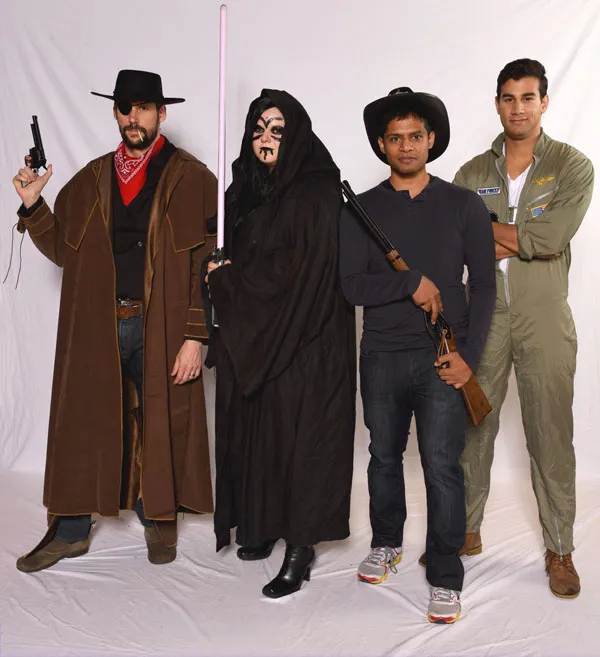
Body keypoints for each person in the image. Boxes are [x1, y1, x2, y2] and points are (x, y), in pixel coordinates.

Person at [13, 69, 217, 572]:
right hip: (100, 326)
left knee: (160, 420)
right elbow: (65, 251)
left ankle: (157, 516)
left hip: (162, 326)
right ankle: (71, 529)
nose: (133, 117)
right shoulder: (92, 178)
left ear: (161, 113)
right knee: (86, 420)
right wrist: (33, 205)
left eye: (143, 108)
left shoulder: (195, 179)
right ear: (115, 113)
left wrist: (195, 336)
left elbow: (207, 266)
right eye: (125, 108)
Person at [339, 87, 496, 623]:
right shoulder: (359, 208)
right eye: (395, 138)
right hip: (381, 356)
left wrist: (468, 356)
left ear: (431, 140)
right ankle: (386, 543)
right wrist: (410, 283)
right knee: (383, 457)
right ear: (382, 145)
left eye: (415, 136)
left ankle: (446, 573)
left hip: (442, 360)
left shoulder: (463, 204)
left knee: (442, 467)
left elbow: (485, 288)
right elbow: (351, 286)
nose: (405, 146)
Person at [205, 89, 356, 599]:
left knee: (301, 442)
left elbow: (291, 274)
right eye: (257, 129)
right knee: (263, 434)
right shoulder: (248, 188)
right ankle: (263, 523)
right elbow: (231, 247)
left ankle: (300, 548)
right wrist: (219, 266)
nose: (265, 139)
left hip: (307, 340)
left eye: (276, 129)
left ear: (296, 136)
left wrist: (228, 282)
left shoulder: (315, 193)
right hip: (262, 336)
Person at [454, 59, 594, 599]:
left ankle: (560, 549)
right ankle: (465, 531)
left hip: (544, 318)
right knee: (472, 425)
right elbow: (457, 244)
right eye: (508, 98)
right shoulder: (471, 174)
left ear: (544, 102)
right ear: (497, 104)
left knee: (550, 434)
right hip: (484, 317)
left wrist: (490, 231)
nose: (518, 108)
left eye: (528, 97)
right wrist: (521, 236)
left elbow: (552, 238)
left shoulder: (572, 165)